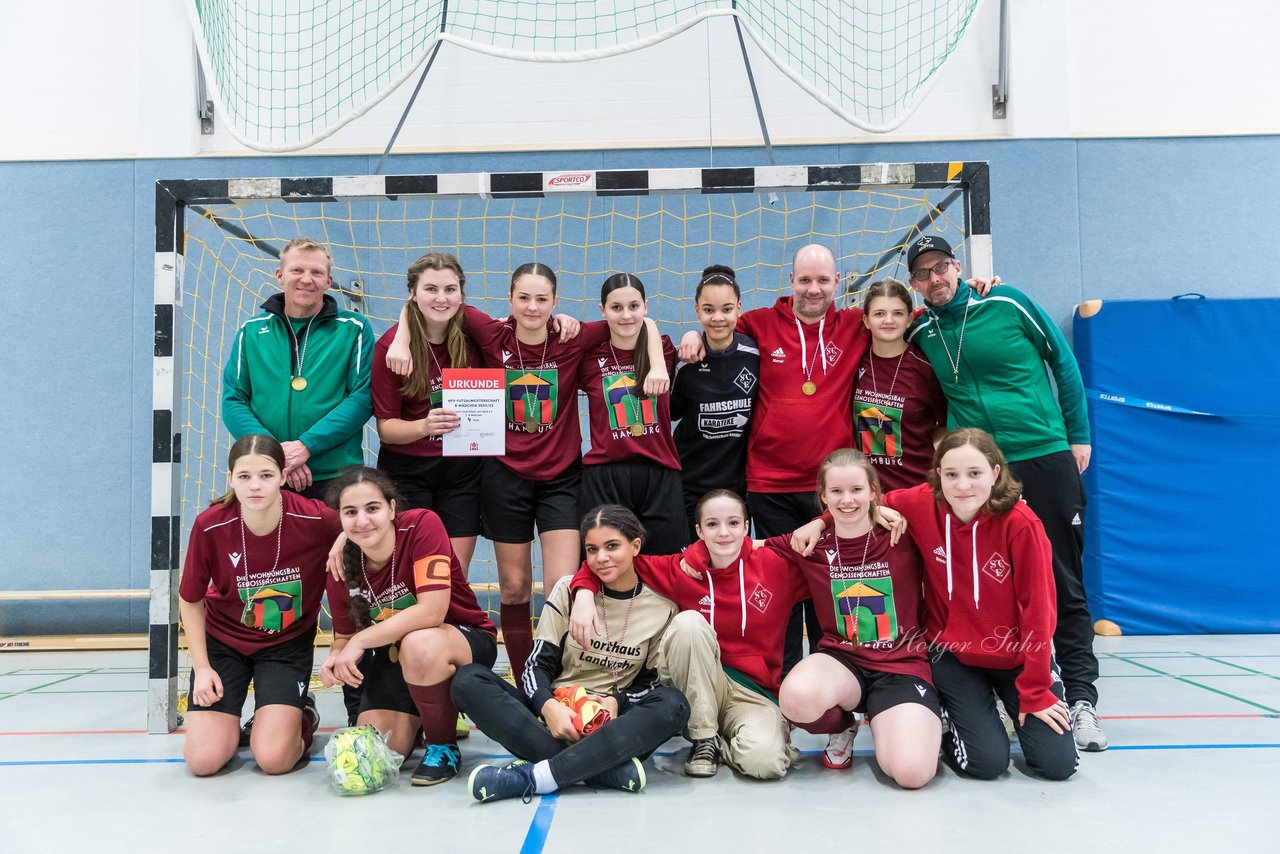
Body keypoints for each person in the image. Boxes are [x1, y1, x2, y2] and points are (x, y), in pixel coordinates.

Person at [384, 261, 664, 689]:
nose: (533, 307)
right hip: (504, 477)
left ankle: (564, 682)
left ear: (555, 302)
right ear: (510, 301)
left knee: (559, 587)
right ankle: (523, 683)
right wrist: (403, 337)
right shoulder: (492, 334)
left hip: (561, 478)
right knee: (514, 587)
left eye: (542, 299)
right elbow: (433, 305)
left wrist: (660, 362)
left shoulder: (573, 337)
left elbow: (635, 319)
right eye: (524, 298)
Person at [903, 235, 1106, 751]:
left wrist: (1077, 434)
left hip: (1043, 453)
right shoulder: (922, 330)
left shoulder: (1007, 301)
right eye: (924, 273)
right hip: (977, 474)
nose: (936, 278)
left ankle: (1080, 698)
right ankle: (996, 687)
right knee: (983, 580)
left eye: (943, 267)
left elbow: (1061, 360)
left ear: (957, 267)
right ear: (915, 284)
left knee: (1062, 578)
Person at [795, 430, 1079, 781]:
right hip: (953, 654)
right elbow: (854, 502)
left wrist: (1036, 689)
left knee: (1056, 766)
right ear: (937, 474)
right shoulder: (921, 503)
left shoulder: (1022, 525)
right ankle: (949, 725)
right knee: (985, 764)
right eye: (951, 474)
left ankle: (1007, 710)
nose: (962, 486)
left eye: (974, 473)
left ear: (994, 473)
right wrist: (819, 521)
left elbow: (1040, 610)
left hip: (1017, 656)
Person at [678, 245, 867, 676]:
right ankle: (781, 698)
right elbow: (716, 322)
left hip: (830, 491)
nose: (813, 289)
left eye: (822, 280)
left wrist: (974, 289)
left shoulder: (857, 324)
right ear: (791, 281)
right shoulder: (759, 323)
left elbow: (907, 314)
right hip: (769, 486)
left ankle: (831, 700)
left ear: (838, 282)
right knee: (781, 596)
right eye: (804, 280)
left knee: (829, 595)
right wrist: (691, 335)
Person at [452, 506, 690, 803]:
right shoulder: (568, 590)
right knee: (468, 680)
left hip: (611, 726)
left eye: (612, 546)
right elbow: (535, 666)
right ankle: (603, 769)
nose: (601, 558)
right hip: (553, 720)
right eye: (592, 549)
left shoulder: (660, 606)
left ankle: (535, 776)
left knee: (674, 704)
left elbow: (652, 683)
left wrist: (617, 702)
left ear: (635, 546)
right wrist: (548, 707)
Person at [567, 490, 804, 780]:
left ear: (746, 527)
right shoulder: (681, 568)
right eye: (713, 524)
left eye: (733, 523)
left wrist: (821, 521)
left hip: (752, 691)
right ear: (699, 531)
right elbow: (616, 561)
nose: (724, 533)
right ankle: (703, 738)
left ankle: (727, 742)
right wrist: (582, 592)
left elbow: (833, 550)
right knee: (688, 623)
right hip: (697, 681)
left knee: (764, 764)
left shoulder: (777, 565)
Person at [768, 449, 941, 788]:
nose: (847, 500)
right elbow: (739, 549)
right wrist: (698, 555)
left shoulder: (903, 531)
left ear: (874, 491)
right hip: (843, 662)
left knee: (911, 774)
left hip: (901, 664)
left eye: (857, 490)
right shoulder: (808, 542)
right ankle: (842, 725)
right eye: (836, 491)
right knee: (796, 697)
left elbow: (949, 502)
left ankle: (891, 719)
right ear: (823, 496)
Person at [320, 466, 498, 786]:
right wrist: (336, 656)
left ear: (391, 508)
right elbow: (344, 636)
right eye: (351, 512)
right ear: (341, 520)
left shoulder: (421, 525)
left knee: (419, 642)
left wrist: (360, 642)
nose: (362, 520)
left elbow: (432, 611)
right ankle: (428, 712)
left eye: (372, 508)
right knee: (382, 752)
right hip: (394, 657)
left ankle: (443, 745)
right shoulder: (341, 565)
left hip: (461, 640)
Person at [178, 434, 338, 776]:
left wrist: (342, 541)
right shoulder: (211, 524)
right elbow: (190, 599)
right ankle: (237, 721)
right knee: (203, 761)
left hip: (285, 645)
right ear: (230, 478)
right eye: (244, 476)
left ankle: (301, 712)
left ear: (283, 476)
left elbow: (362, 528)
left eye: (266, 475)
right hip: (223, 643)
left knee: (273, 759)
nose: (255, 486)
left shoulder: (316, 519)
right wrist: (202, 668)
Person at [222, 237, 375, 500]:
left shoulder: (355, 328)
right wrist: (275, 454)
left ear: (328, 281)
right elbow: (233, 400)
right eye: (297, 270)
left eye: (316, 272)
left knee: (338, 543)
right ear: (280, 275)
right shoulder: (251, 331)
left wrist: (307, 446)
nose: (307, 279)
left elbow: (363, 397)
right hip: (267, 473)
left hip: (336, 475)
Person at [372, 252, 482, 574]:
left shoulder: (475, 334)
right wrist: (423, 425)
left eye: (450, 289)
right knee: (416, 570)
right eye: (431, 289)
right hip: (408, 470)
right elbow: (386, 429)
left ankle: (452, 626)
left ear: (461, 293)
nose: (441, 298)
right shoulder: (391, 348)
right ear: (413, 293)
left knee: (454, 573)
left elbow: (521, 327)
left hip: (463, 469)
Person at [576, 274, 683, 556]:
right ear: (602, 310)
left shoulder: (666, 349)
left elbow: (661, 333)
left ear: (646, 306)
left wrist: (693, 336)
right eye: (616, 308)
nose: (626, 315)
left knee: (667, 565)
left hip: (659, 471)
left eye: (634, 306)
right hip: (606, 475)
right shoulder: (588, 359)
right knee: (606, 566)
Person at [670, 265, 760, 540]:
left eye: (726, 309)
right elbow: (671, 414)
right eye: (708, 310)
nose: (718, 318)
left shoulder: (756, 355)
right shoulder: (685, 363)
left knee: (732, 568)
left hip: (737, 489)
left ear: (739, 309)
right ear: (697, 311)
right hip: (688, 487)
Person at [854, 278, 947, 491]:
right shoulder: (855, 361)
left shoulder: (925, 367)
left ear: (909, 319)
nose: (889, 320)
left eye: (897, 313)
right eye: (879, 314)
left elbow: (943, 427)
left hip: (918, 488)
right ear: (866, 320)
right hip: (870, 495)